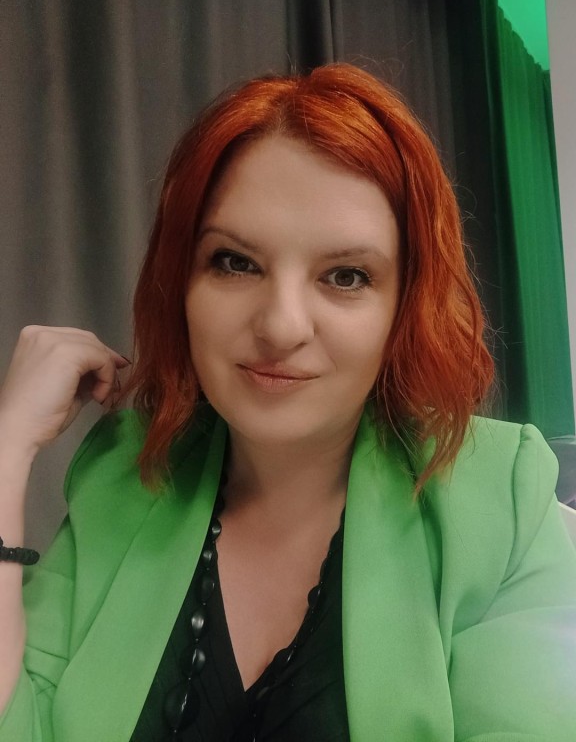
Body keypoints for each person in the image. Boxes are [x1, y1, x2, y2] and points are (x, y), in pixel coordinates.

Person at [0, 63, 575, 742]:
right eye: (235, 262)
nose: (280, 326)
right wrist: (7, 445)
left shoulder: (500, 502)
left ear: (405, 306)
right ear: (181, 281)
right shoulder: (124, 478)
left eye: (346, 276)